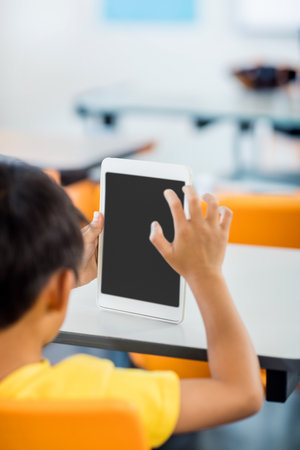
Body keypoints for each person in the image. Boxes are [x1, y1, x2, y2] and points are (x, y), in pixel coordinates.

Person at [0, 159, 264, 448]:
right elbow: (242, 393)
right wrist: (206, 274)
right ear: (60, 288)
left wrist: (56, 284)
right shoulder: (93, 396)